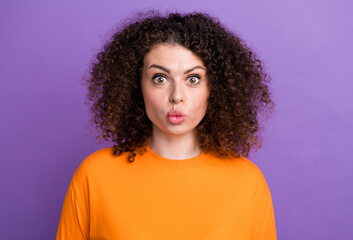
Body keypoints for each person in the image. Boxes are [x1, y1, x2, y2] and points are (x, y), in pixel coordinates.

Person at [56, 11, 276, 240]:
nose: (176, 96)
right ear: (136, 84)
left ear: (213, 88)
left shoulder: (248, 182)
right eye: (160, 78)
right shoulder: (93, 176)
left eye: (193, 79)